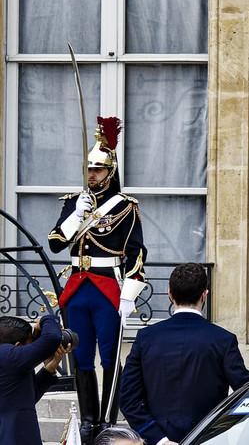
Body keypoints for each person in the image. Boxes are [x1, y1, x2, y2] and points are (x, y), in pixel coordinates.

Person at [48, 117, 147, 444]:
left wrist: (130, 294)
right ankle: (89, 420)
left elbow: (135, 253)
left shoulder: (125, 207)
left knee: (108, 357)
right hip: (77, 287)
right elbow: (55, 243)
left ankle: (108, 419)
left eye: (99, 170)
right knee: (81, 355)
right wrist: (78, 214)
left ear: (110, 172)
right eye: (88, 169)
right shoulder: (73, 203)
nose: (92, 175)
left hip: (107, 287)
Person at [119, 262, 249, 445]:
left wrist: (160, 440)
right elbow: (248, 395)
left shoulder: (147, 337)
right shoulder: (223, 339)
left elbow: (128, 400)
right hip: (209, 440)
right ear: (204, 295)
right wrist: (219, 428)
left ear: (170, 294)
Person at [0, 314, 71, 445]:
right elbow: (52, 338)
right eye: (30, 343)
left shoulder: (8, 359)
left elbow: (25, 399)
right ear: (18, 345)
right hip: (13, 436)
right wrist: (45, 320)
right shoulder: (7, 355)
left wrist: (48, 370)